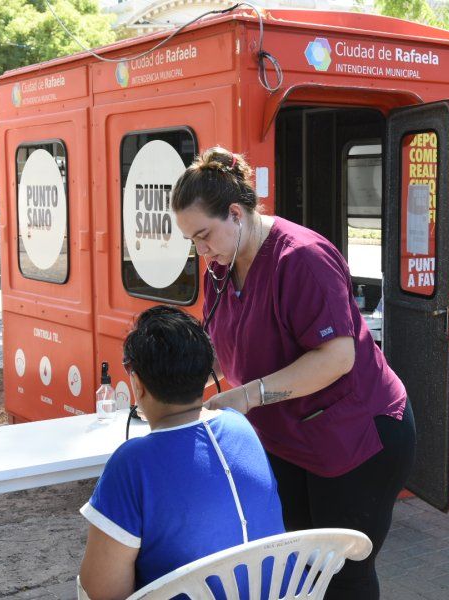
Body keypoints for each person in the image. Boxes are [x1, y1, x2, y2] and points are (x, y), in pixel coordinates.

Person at [172, 147, 416, 599]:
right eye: (192, 241)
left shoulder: (300, 258)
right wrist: (171, 394)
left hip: (358, 433)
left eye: (204, 235)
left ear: (235, 213)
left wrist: (247, 397)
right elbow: (225, 355)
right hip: (289, 436)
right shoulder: (220, 270)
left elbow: (336, 357)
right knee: (296, 569)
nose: (201, 250)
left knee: (342, 574)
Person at [78, 306, 286, 599]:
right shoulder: (241, 427)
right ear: (205, 373)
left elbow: (101, 590)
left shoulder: (132, 463)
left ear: (137, 384)